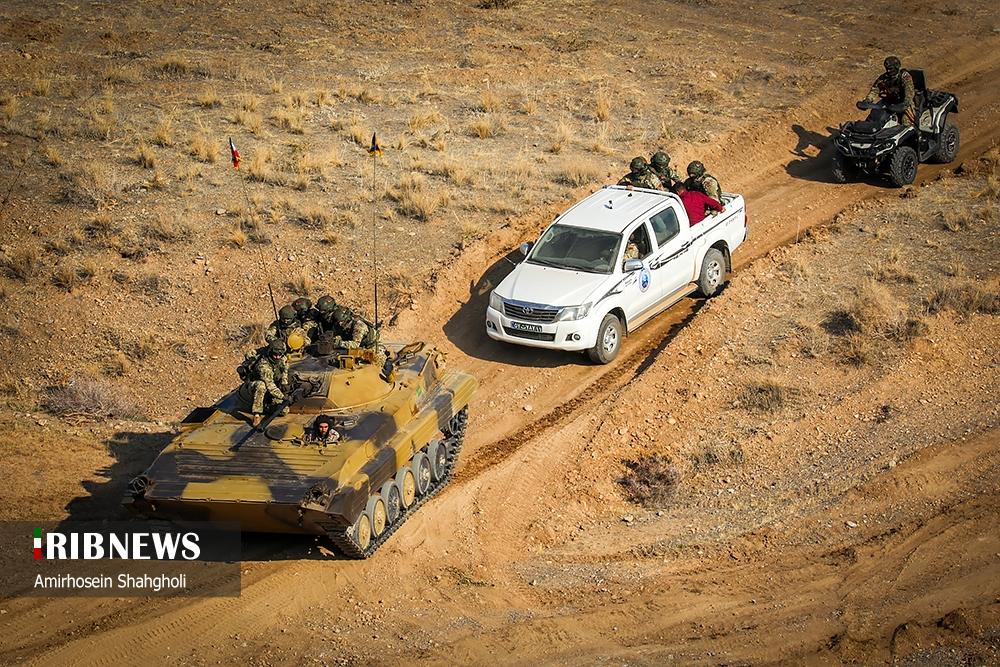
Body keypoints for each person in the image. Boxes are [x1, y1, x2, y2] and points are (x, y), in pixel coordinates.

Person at [244, 340, 290, 427]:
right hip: (255, 386)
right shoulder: (263, 365)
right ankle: (257, 414)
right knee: (261, 385)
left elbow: (285, 371)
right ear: (270, 352)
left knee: (284, 411)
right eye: (275, 354)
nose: (277, 357)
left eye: (280, 354)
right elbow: (270, 386)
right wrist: (283, 397)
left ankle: (266, 407)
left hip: (272, 387)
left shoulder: (282, 359)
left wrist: (284, 384)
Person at [862, 56, 916, 127]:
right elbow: (875, 90)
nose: (888, 71)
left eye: (890, 69)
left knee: (906, 123)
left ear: (897, 67)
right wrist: (868, 100)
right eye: (887, 69)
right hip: (889, 102)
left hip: (903, 103)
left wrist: (903, 105)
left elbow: (909, 93)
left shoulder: (904, 76)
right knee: (874, 117)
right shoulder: (884, 78)